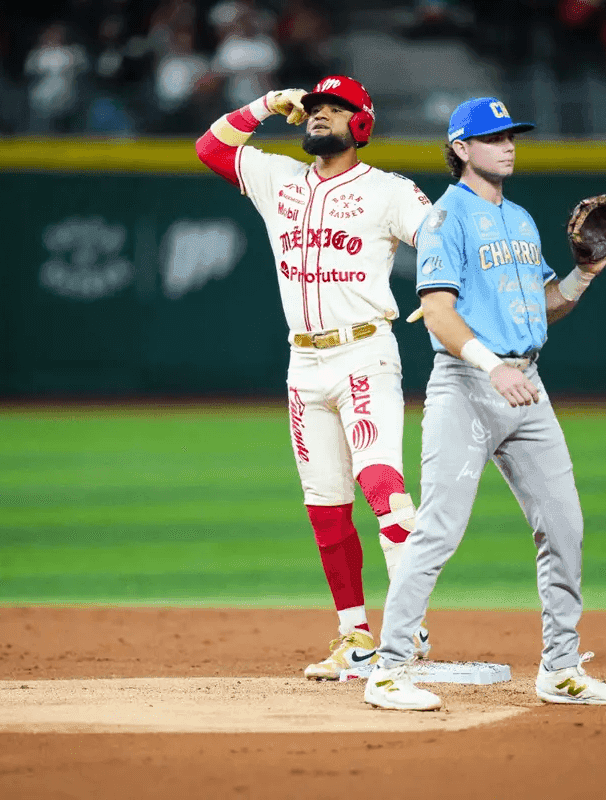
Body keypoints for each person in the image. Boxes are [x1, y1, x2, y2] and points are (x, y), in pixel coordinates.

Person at [363, 97, 606, 711]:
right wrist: (492, 368)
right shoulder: (444, 219)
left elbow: (545, 306)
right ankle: (389, 669)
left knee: (565, 525)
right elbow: (437, 314)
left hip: (527, 389)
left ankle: (561, 668)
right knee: (437, 529)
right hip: (466, 388)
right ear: (462, 149)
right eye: (492, 137)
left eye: (511, 135)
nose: (507, 145)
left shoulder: (520, 220)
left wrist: (586, 274)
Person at [195, 75, 434, 679]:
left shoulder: (388, 191)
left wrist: (442, 293)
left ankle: (408, 633)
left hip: (364, 354)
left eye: (336, 108)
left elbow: (439, 240)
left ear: (362, 123)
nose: (320, 115)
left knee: (383, 488)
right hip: (303, 365)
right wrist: (267, 105)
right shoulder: (279, 181)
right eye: (317, 107)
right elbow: (211, 149)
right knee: (326, 507)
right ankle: (354, 638)